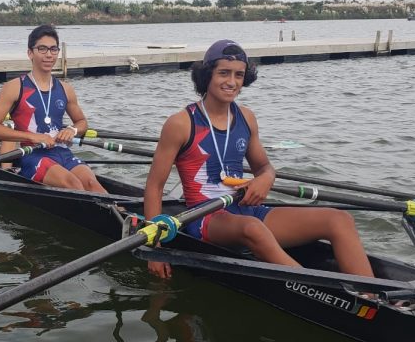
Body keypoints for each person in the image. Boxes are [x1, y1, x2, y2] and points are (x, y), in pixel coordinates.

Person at [143, 39, 374, 279]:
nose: (231, 82)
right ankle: (323, 292)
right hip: (205, 217)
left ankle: (372, 295)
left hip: (246, 210)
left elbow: (264, 167)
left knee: (339, 219)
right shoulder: (180, 123)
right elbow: (154, 186)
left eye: (239, 75)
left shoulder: (246, 117)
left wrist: (265, 179)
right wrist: (155, 247)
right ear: (207, 75)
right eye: (223, 73)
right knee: (253, 228)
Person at [0, 24, 106, 192]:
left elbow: (82, 122)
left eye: (53, 49)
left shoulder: (65, 89)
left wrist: (72, 130)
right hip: (32, 154)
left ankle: (128, 217)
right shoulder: (14, 87)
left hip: (62, 152)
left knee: (92, 184)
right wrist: (32, 137)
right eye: (42, 49)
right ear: (30, 53)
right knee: (74, 185)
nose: (49, 55)